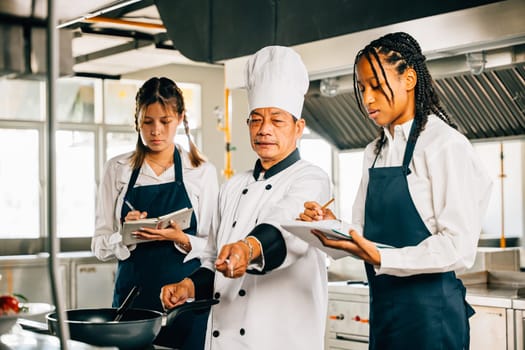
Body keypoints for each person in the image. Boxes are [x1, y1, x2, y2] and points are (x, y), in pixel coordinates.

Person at [299, 32, 492, 350]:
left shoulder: (445, 145)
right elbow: (361, 235)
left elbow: (457, 247)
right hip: (385, 314)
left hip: (433, 320)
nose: (368, 99)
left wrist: (380, 256)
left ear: (410, 78)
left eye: (376, 85)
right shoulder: (373, 151)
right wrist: (330, 224)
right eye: (362, 88)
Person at [161, 46, 331, 350]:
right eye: (256, 120)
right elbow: (212, 258)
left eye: (277, 120)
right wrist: (189, 285)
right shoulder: (232, 186)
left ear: (298, 128)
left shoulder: (311, 178)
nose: (264, 129)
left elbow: (284, 227)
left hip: (282, 341)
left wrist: (246, 248)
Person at [92, 77, 219, 349]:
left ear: (180, 118)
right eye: (147, 122)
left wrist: (180, 238)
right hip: (133, 305)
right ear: (137, 121)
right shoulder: (117, 169)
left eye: (165, 121)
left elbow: (212, 249)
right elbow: (99, 246)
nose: (156, 131)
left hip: (185, 304)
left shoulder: (201, 171)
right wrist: (125, 236)